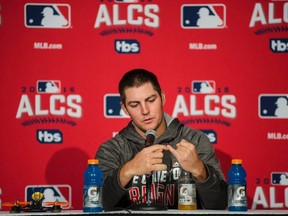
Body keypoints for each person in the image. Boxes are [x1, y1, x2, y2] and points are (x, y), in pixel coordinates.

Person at [96, 68, 227, 211]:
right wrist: (128, 170)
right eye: (134, 105)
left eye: (151, 100)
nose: (145, 110)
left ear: (162, 97)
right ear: (125, 108)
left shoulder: (194, 140)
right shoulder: (112, 149)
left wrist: (199, 170)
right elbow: (96, 204)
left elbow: (220, 204)